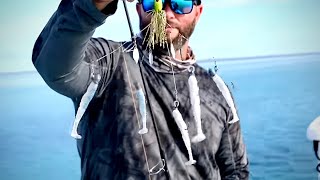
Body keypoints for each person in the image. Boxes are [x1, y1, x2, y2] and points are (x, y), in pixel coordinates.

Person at [32, 0, 249, 179]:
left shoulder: (217, 90)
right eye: (153, 2)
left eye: (180, 4)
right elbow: (54, 67)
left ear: (198, 12)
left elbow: (236, 171)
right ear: (138, 8)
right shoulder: (108, 62)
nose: (165, 13)